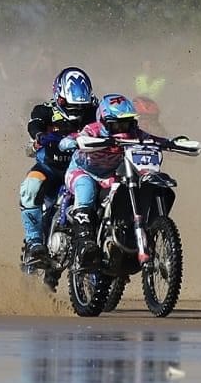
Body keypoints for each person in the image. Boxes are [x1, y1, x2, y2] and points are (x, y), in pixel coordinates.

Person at [20, 68, 99, 271]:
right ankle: (34, 244)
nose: (76, 112)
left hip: (86, 168)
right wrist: (39, 136)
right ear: (59, 96)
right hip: (50, 169)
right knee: (30, 186)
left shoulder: (96, 111)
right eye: (70, 106)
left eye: (80, 107)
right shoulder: (44, 110)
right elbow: (35, 124)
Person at [62, 93, 152, 260]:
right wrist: (73, 141)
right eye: (116, 126)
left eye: (126, 124)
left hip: (109, 177)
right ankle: (85, 240)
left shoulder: (134, 134)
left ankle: (117, 235)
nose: (122, 131)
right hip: (82, 171)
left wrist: (173, 142)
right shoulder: (92, 130)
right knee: (86, 188)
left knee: (122, 193)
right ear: (102, 121)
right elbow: (72, 139)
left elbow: (151, 140)